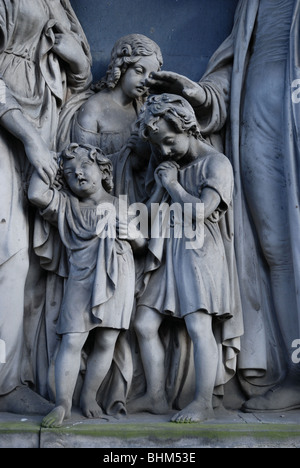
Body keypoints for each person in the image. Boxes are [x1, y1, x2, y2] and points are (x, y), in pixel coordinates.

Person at [144, 0, 300, 411]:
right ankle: (296, 372)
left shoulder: (210, 167)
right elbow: (231, 70)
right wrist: (197, 92)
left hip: (291, 107)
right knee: (274, 247)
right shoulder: (255, 4)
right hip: (255, 116)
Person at [0, 0, 92, 413]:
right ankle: (4, 384)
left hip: (45, 122)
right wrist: (30, 139)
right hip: (11, 123)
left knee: (32, 268)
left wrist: (77, 62)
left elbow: (82, 76)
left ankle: (14, 378)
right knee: (12, 255)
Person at [129, 94, 243, 423]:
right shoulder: (170, 166)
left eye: (167, 141)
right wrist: (160, 187)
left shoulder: (216, 164)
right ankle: (156, 396)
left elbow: (202, 212)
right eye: (157, 146)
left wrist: (174, 186)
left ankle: (203, 401)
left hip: (200, 250)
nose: (163, 151)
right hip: (169, 248)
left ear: (187, 127)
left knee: (198, 325)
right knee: (144, 322)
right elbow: (149, 215)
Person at [29, 143, 145, 427]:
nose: (78, 175)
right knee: (72, 339)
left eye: (84, 167)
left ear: (103, 170)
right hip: (81, 277)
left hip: (119, 274)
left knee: (106, 341)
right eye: (69, 173)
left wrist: (133, 234)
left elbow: (142, 244)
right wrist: (49, 160)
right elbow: (35, 194)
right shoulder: (67, 205)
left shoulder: (122, 205)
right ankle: (63, 403)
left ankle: (89, 396)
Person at [71, 33, 163, 155]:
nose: (145, 81)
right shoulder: (94, 108)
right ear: (122, 67)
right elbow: (85, 160)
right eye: (139, 71)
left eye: (151, 76)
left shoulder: (144, 110)